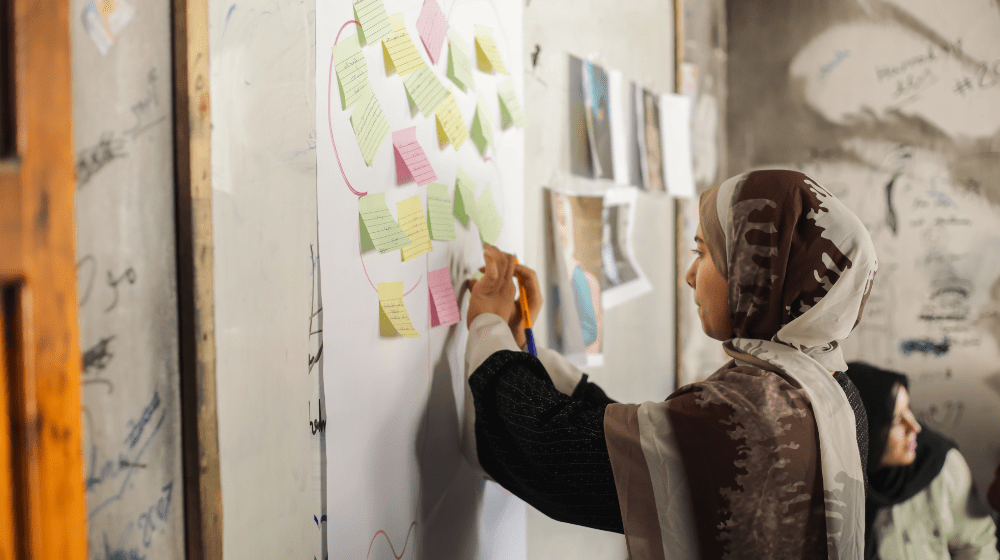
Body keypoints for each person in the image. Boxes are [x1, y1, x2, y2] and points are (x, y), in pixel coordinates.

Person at [462, 170, 876, 559]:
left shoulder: (761, 409)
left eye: (704, 252)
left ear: (760, 272)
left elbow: (555, 459)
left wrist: (490, 329)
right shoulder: (832, 392)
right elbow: (653, 449)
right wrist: (522, 351)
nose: (691, 275)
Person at [845, 362, 998, 560]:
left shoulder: (939, 463)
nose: (914, 427)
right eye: (896, 420)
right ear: (865, 430)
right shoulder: (831, 488)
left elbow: (977, 547)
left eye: (909, 409)